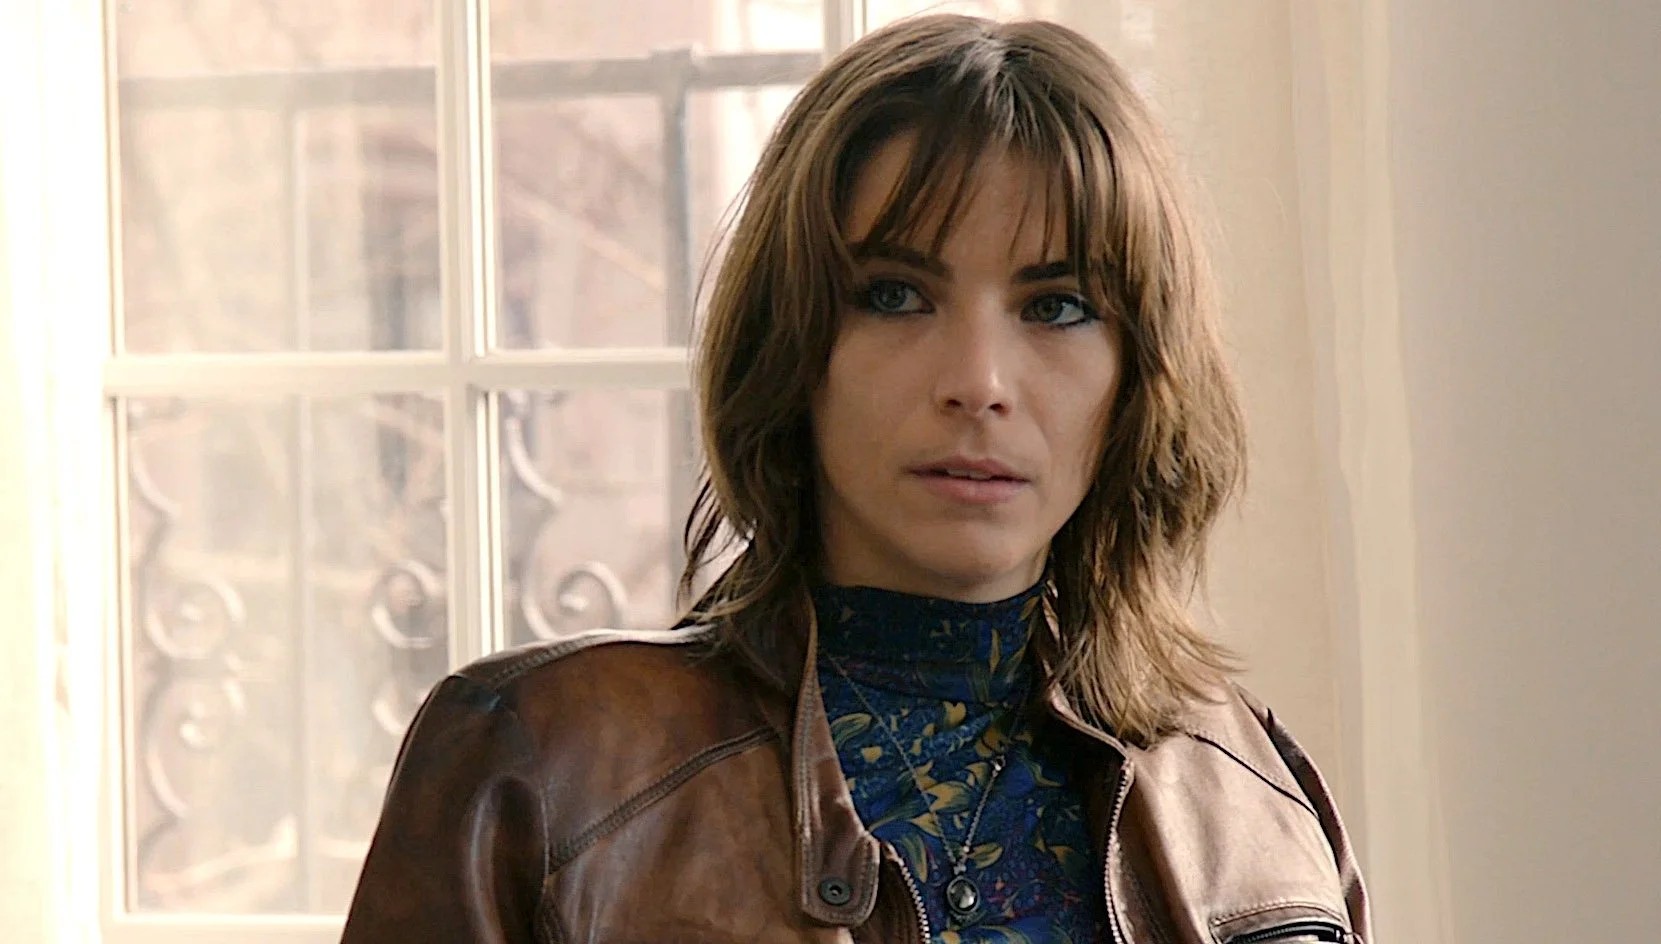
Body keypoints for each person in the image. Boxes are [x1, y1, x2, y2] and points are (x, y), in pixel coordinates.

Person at [341, 13, 1370, 944]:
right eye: (893, 294)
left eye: (1055, 306)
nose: (977, 382)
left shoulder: (1246, 798)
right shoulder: (538, 768)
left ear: (1136, 374)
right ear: (793, 345)